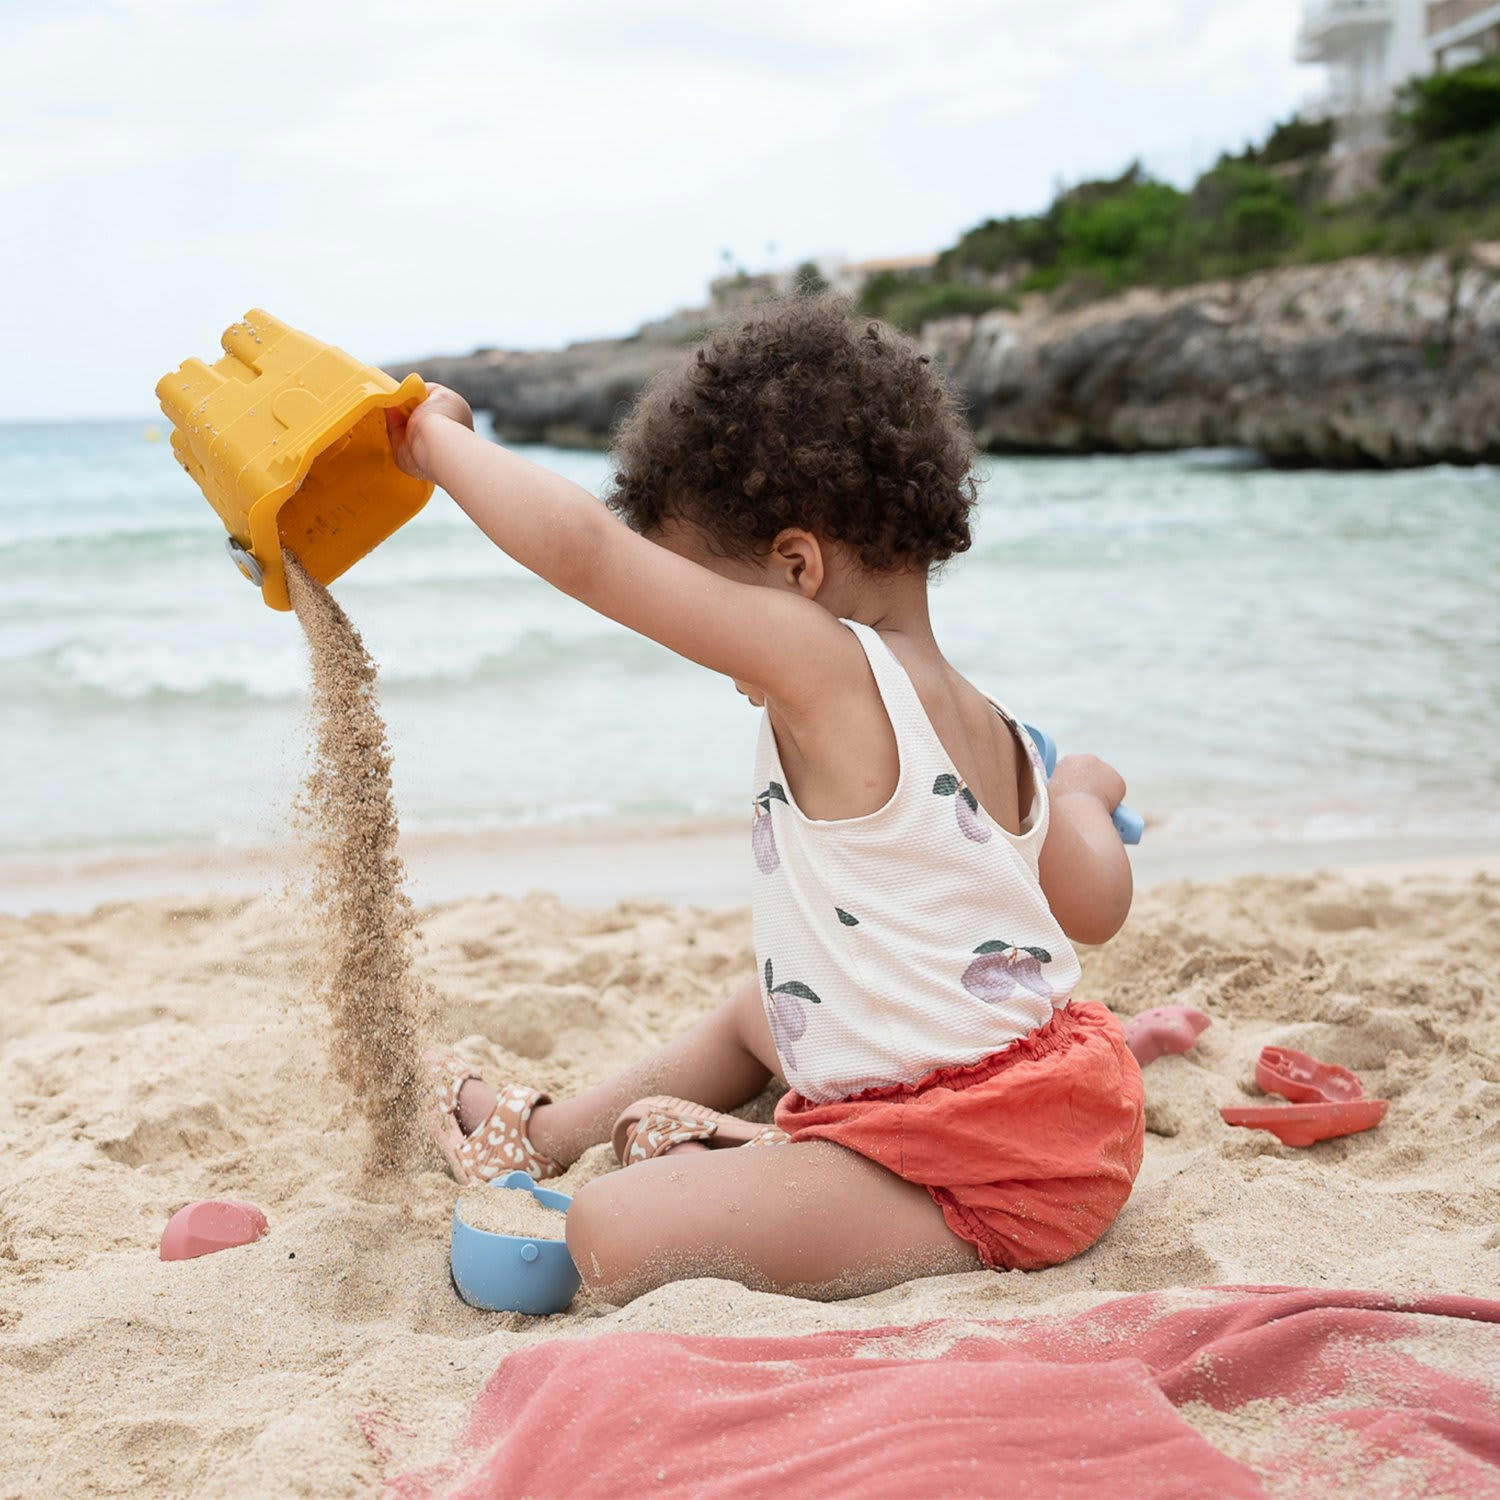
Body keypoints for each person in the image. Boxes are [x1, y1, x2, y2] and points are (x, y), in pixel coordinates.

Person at [390, 297, 1205, 1304]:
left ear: (795, 567)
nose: (716, 646)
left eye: (711, 598)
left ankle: (720, 1157)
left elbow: (587, 557)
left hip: (983, 1176)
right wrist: (1080, 790)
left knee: (609, 1234)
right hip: (1067, 1115)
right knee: (754, 1012)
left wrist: (438, 440)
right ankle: (551, 1134)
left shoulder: (827, 668)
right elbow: (1095, 908)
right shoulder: (996, 727)